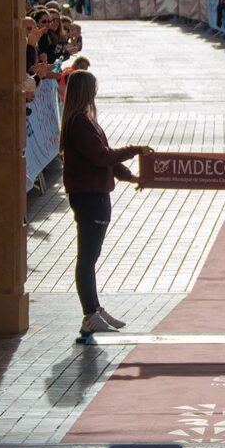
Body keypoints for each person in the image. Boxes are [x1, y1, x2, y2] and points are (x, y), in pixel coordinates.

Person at [59, 70, 154, 335]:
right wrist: (135, 149)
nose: (97, 92)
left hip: (96, 194)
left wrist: (131, 176)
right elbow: (102, 157)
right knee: (87, 257)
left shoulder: (86, 121)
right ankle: (90, 313)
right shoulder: (79, 123)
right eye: (94, 88)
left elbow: (107, 161)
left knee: (92, 255)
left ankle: (95, 308)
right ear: (86, 91)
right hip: (90, 197)